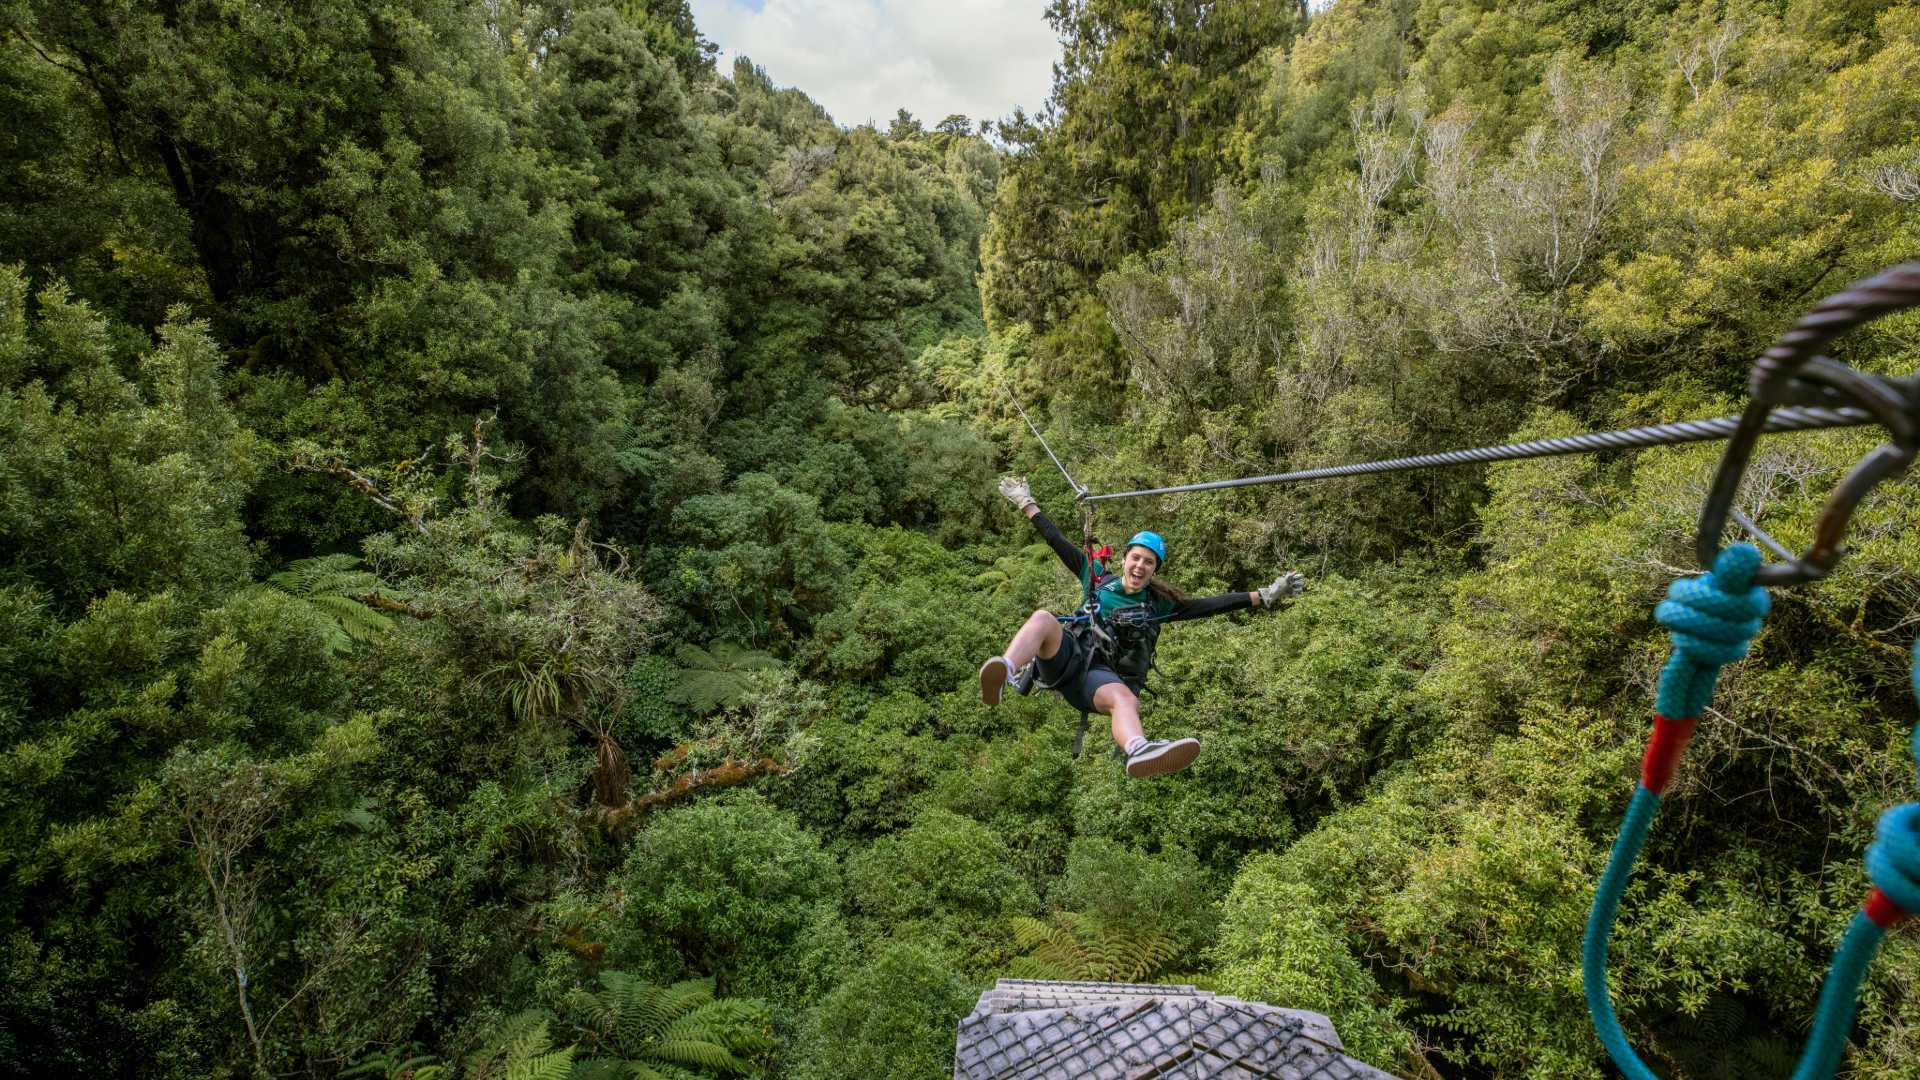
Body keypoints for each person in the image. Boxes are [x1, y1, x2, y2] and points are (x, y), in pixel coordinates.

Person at [979, 475, 1306, 778]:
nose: (1140, 565)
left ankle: (1139, 749)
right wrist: (1026, 503)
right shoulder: (1096, 577)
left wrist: (1263, 595)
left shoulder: (1158, 604)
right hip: (1066, 659)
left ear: (1153, 570)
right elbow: (1056, 539)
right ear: (1124, 560)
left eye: (1148, 562)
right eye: (1136, 557)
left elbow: (1211, 605)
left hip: (1099, 679)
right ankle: (1006, 669)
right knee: (1043, 619)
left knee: (1125, 700)